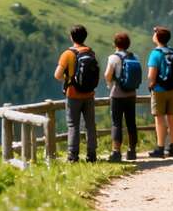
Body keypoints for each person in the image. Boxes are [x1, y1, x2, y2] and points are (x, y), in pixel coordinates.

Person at [54, 24, 100, 163]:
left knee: (73, 125)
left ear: (71, 37)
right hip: (89, 94)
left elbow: (57, 75)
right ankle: (91, 155)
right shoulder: (90, 52)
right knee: (90, 125)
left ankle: (72, 156)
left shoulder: (68, 54)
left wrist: (68, 79)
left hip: (73, 94)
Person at [146, 26, 173, 158]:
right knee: (172, 118)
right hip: (172, 89)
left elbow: (151, 75)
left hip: (159, 90)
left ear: (157, 37)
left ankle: (160, 147)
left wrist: (151, 85)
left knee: (160, 118)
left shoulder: (155, 53)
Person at [103, 32, 140, 162]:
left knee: (116, 123)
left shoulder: (113, 58)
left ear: (115, 44)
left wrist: (110, 82)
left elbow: (107, 75)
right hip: (131, 93)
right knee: (131, 122)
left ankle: (116, 152)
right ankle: (132, 151)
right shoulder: (134, 56)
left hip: (117, 94)